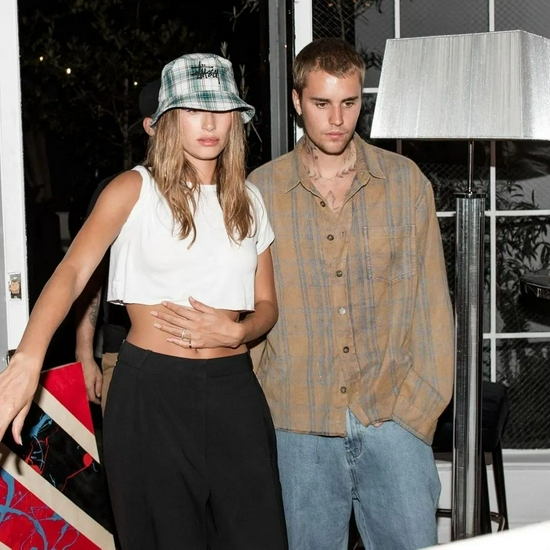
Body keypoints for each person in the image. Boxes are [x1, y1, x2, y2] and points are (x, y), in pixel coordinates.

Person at [152, 38, 454, 549]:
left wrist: (416, 414)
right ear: (296, 101)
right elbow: (243, 306)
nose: (337, 119)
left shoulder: (405, 184)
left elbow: (433, 309)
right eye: (321, 103)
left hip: (393, 420)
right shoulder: (258, 192)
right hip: (294, 428)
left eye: (349, 102)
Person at [0, 53, 288, 550]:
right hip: (151, 393)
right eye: (193, 109)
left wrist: (239, 331)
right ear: (168, 118)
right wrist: (28, 358)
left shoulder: (250, 199)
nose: (209, 124)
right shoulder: (134, 189)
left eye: (220, 109)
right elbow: (72, 273)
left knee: (258, 537)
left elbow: (268, 305)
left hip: (235, 391)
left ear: (236, 118)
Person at [74, 79, 160, 412]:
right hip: (122, 350)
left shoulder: (212, 192)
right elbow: (88, 277)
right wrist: (84, 354)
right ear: (150, 126)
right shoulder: (117, 191)